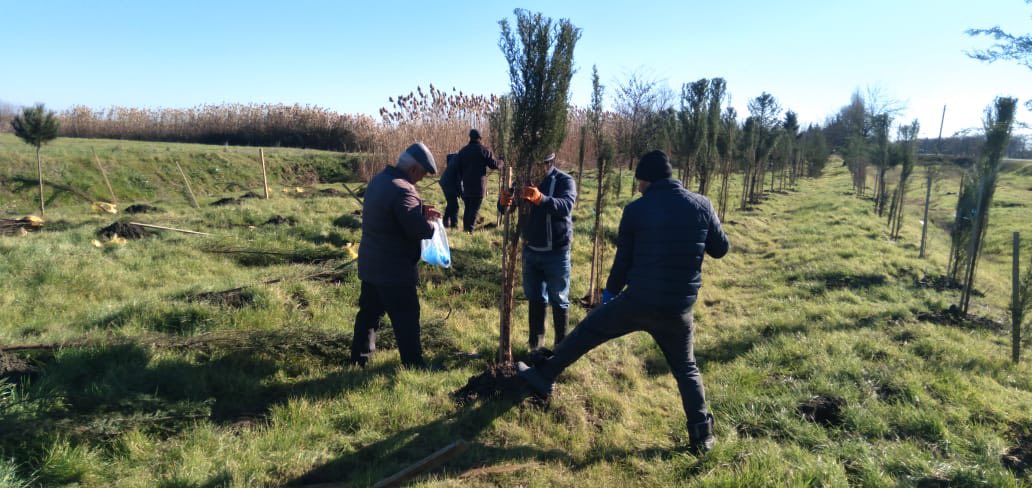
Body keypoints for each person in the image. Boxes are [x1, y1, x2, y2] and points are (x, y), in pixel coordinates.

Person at [517, 150, 730, 454]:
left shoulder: (636, 211)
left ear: (649, 180)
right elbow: (721, 249)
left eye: (640, 181)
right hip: (678, 309)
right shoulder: (702, 205)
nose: (638, 187)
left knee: (588, 332)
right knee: (687, 369)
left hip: (638, 301)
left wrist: (608, 296)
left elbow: (623, 263)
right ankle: (702, 436)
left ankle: (544, 375)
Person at [351, 143, 441, 368]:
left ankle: (359, 360)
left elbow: (392, 215)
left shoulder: (379, 180)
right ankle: (414, 365)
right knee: (407, 318)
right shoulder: (404, 189)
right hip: (394, 271)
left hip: (371, 265)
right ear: (413, 169)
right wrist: (431, 224)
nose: (419, 180)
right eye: (421, 174)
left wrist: (419, 211)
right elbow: (417, 230)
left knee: (369, 315)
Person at [499, 153, 577, 350]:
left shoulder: (564, 181)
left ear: (548, 163)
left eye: (537, 165)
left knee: (559, 298)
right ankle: (536, 346)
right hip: (530, 250)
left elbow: (566, 206)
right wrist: (504, 202)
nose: (533, 169)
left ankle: (561, 349)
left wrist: (541, 199)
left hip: (556, 252)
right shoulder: (522, 182)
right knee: (535, 296)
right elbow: (507, 208)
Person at [456, 128, 502, 233]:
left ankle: (465, 230)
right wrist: (501, 161)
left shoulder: (463, 151)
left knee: (468, 208)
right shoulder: (484, 150)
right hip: (479, 186)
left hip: (466, 185)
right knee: (474, 209)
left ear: (470, 137)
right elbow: (494, 165)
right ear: (480, 138)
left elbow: (458, 169)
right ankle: (470, 231)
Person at [439, 153, 462, 229]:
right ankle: (454, 225)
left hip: (446, 182)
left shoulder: (459, 159)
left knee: (451, 203)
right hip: (448, 184)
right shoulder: (461, 163)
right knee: (455, 206)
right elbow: (459, 182)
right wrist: (462, 194)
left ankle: (445, 221)